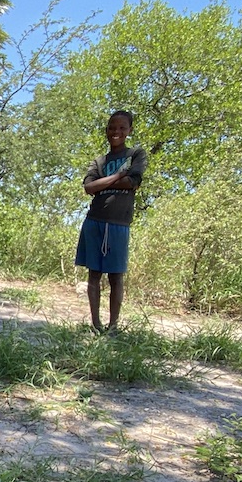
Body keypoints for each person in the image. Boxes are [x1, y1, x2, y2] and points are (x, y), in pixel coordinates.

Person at [75, 110, 147, 333]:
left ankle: (113, 326)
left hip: (119, 223)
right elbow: (88, 187)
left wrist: (104, 183)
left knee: (116, 276)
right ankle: (96, 324)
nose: (116, 132)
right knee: (93, 274)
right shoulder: (99, 161)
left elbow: (133, 182)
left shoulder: (136, 154)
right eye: (112, 127)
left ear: (129, 130)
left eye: (122, 128)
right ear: (106, 130)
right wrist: (117, 176)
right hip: (94, 220)